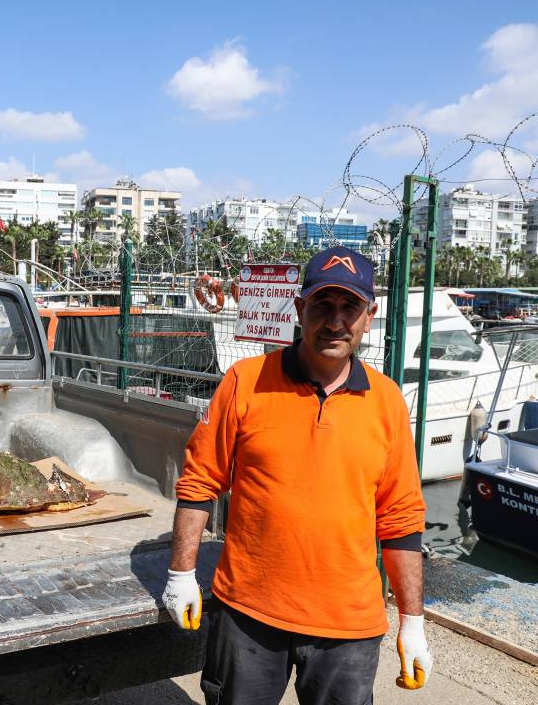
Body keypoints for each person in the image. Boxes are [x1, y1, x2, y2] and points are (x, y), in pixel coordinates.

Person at [163, 247, 431, 705]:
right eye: (323, 306)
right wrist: (180, 572)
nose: (335, 321)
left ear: (370, 316)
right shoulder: (245, 381)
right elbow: (200, 480)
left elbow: (401, 519)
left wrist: (413, 621)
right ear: (300, 308)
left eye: (350, 308)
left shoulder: (387, 402)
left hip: (348, 625)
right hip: (249, 612)